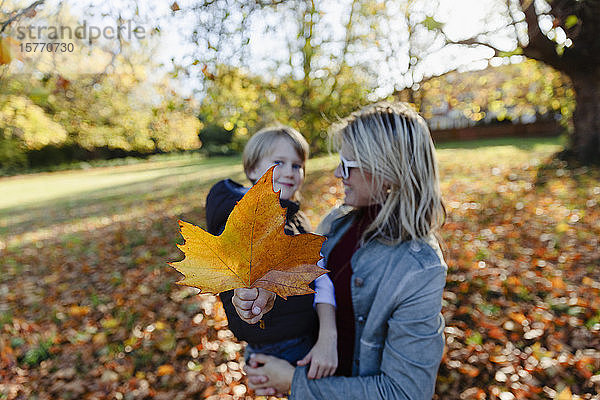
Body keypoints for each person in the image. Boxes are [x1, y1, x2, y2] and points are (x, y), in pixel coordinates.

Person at [232, 101, 448, 399]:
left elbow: (405, 392)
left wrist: (295, 382)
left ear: (387, 170)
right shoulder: (337, 221)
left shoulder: (419, 268)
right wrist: (265, 296)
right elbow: (307, 282)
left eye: (347, 165)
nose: (336, 173)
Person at [205, 125, 338, 379]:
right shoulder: (247, 223)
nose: (290, 172)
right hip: (282, 343)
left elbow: (317, 274)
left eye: (297, 165)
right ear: (253, 169)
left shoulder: (295, 219)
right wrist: (248, 297)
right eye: (279, 162)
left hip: (299, 333)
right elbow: (241, 279)